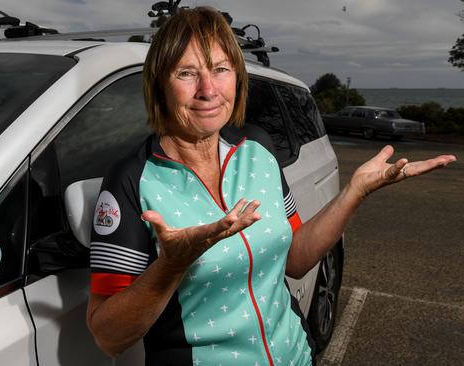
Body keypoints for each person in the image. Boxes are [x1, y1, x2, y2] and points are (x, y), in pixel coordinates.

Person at [86, 6, 456, 366]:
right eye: (186, 73)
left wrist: (354, 191)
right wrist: (171, 266)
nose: (208, 89)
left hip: (294, 354)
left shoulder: (258, 148)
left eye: (220, 69)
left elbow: (295, 259)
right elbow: (108, 336)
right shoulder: (132, 180)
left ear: (237, 77)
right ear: (159, 85)